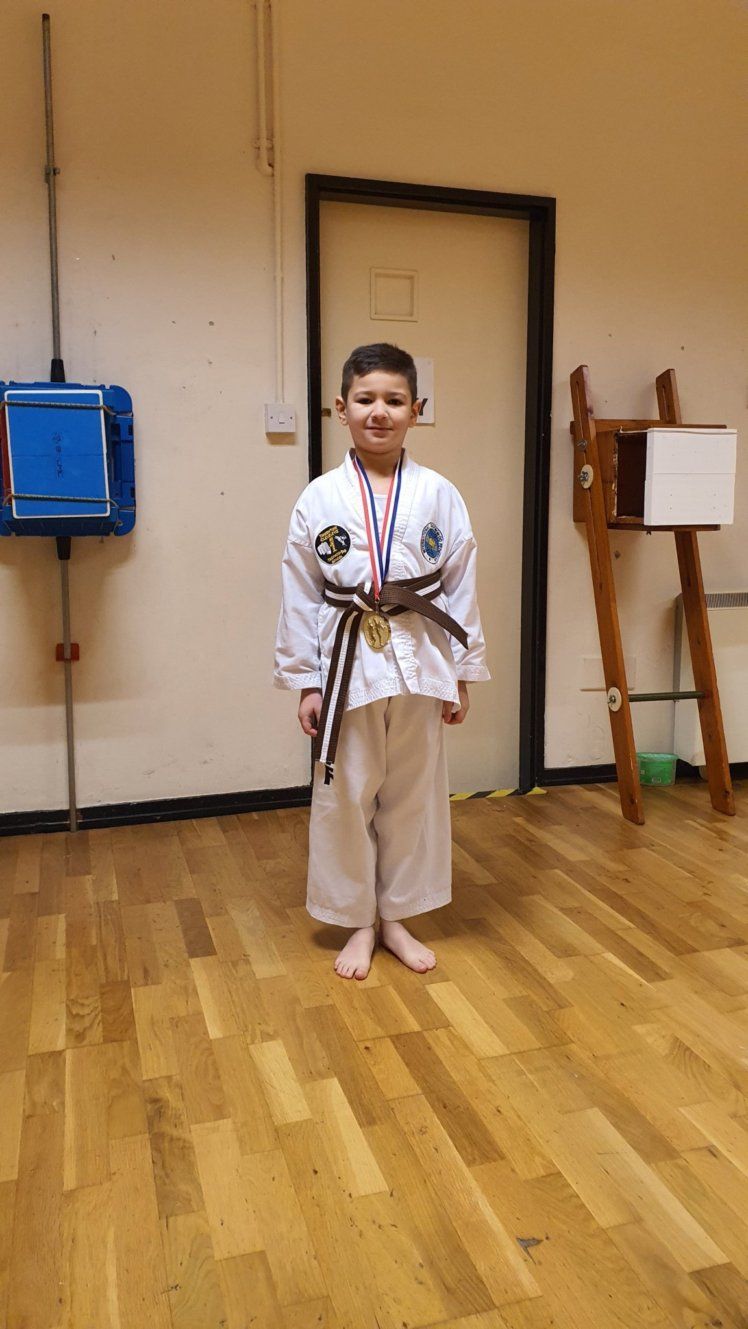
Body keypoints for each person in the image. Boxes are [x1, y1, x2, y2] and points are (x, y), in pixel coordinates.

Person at [274, 343, 490, 980]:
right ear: (340, 409)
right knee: (346, 794)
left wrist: (462, 673)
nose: (379, 412)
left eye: (394, 401)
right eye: (365, 399)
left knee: (412, 795)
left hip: (420, 655)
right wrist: (306, 681)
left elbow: (461, 586)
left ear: (416, 410)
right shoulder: (319, 497)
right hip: (347, 661)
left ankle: (396, 916)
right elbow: (299, 591)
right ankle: (357, 921)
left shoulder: (439, 494)